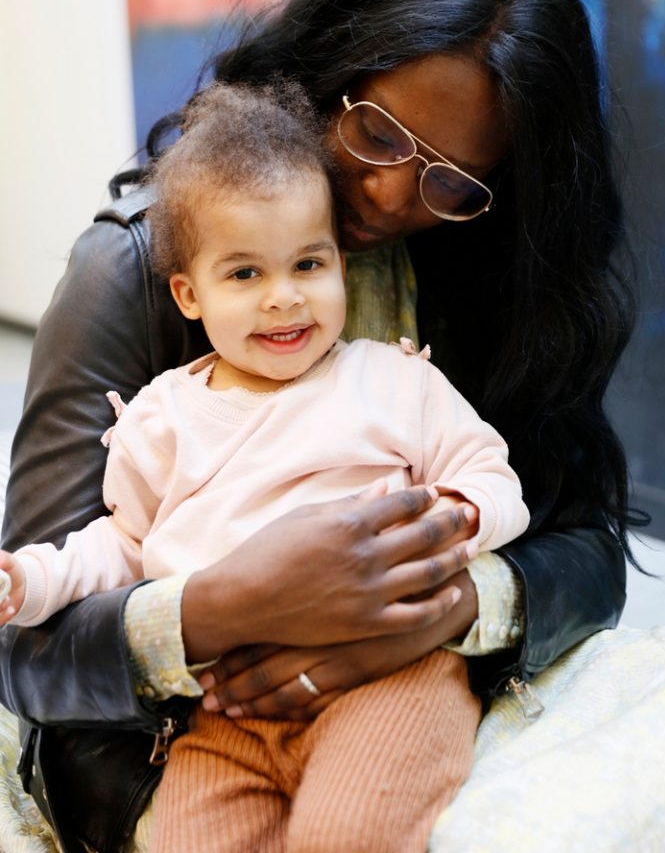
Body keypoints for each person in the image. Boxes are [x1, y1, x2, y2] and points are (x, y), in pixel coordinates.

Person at [0, 0, 638, 853]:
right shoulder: (127, 275)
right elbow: (34, 643)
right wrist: (228, 603)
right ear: (327, 67)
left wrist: (441, 607)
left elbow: (582, 544)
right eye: (377, 131)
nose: (390, 196)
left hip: (405, 693)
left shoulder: (471, 281)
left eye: (453, 179)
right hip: (182, 734)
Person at [0, 81, 529, 853]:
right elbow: (123, 547)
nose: (284, 299)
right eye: (244, 275)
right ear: (189, 294)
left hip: (386, 678)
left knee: (349, 834)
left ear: (341, 266)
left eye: (308, 264)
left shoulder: (395, 381)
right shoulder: (160, 418)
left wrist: (456, 515)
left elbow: (493, 475)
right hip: (226, 711)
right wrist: (34, 580)